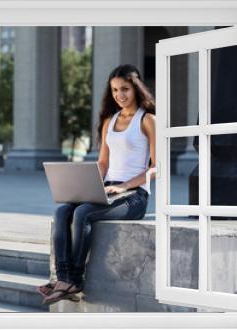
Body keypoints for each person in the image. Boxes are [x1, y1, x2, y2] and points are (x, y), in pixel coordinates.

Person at [38, 64, 157, 305]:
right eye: (114, 90)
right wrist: (88, 185)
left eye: (124, 89)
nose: (119, 95)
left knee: (83, 213)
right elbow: (103, 163)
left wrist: (124, 187)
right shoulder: (109, 122)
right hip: (109, 189)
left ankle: (74, 279)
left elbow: (156, 167)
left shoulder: (148, 120)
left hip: (134, 196)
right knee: (63, 211)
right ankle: (63, 278)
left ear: (136, 88)